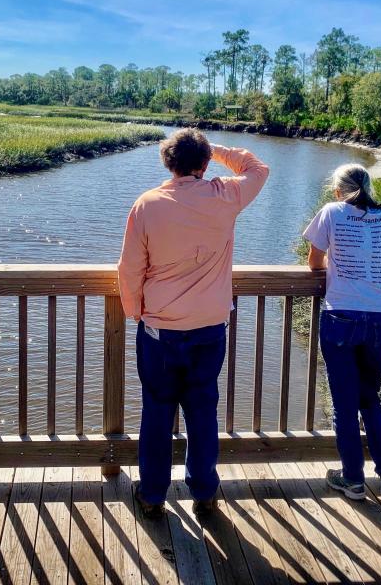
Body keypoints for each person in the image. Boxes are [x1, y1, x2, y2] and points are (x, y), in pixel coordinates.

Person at [117, 128, 269, 518]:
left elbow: (130, 269)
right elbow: (257, 167)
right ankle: (204, 490)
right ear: (203, 164)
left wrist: (136, 311)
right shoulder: (226, 195)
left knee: (156, 411)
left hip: (159, 331)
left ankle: (152, 495)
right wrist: (214, 150)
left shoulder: (147, 204)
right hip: (209, 330)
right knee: (202, 410)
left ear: (167, 162)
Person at [303, 163, 381, 500]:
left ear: (338, 190)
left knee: (345, 404)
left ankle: (352, 479)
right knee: (369, 399)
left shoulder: (331, 211)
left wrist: (335, 264)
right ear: (369, 187)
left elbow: (313, 262)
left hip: (342, 316)